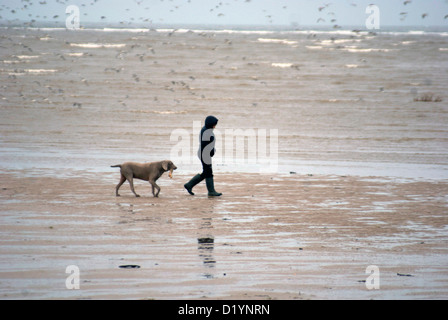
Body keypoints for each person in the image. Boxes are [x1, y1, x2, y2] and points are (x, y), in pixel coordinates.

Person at [184, 115, 222, 197]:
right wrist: (211, 152)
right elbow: (205, 145)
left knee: (206, 172)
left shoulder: (206, 129)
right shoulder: (207, 132)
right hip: (204, 154)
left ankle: (189, 185)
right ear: (210, 124)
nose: (215, 126)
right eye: (214, 124)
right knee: (208, 173)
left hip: (203, 153)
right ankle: (211, 191)